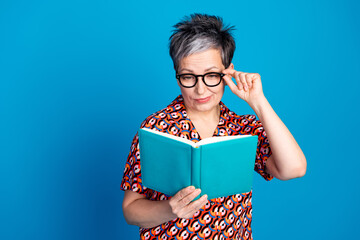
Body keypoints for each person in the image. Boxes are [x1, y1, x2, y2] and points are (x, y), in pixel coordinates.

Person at [120, 13, 306, 240]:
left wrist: (258, 101)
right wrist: (170, 208)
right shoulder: (155, 128)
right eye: (188, 77)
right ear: (177, 76)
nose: (200, 90)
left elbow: (294, 168)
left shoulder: (243, 129)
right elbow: (131, 209)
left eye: (211, 76)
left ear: (228, 72)